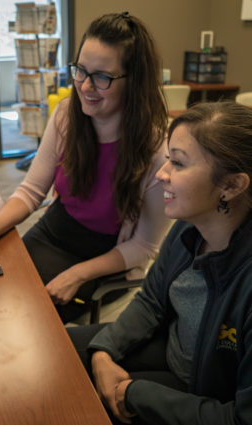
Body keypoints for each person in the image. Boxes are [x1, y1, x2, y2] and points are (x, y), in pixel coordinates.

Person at [0, 12, 172, 323]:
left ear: (134, 82)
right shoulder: (66, 116)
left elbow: (144, 246)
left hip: (106, 258)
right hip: (54, 230)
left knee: (29, 320)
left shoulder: (158, 152)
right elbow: (31, 191)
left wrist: (78, 273)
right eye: (81, 71)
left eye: (102, 77)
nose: (85, 86)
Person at [68, 101, 252, 425]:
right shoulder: (187, 225)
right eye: (168, 158)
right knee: (64, 351)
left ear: (232, 185)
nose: (161, 174)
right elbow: (152, 300)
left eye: (178, 164)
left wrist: (135, 394)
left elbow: (239, 418)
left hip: (205, 397)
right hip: (173, 352)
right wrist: (104, 350)